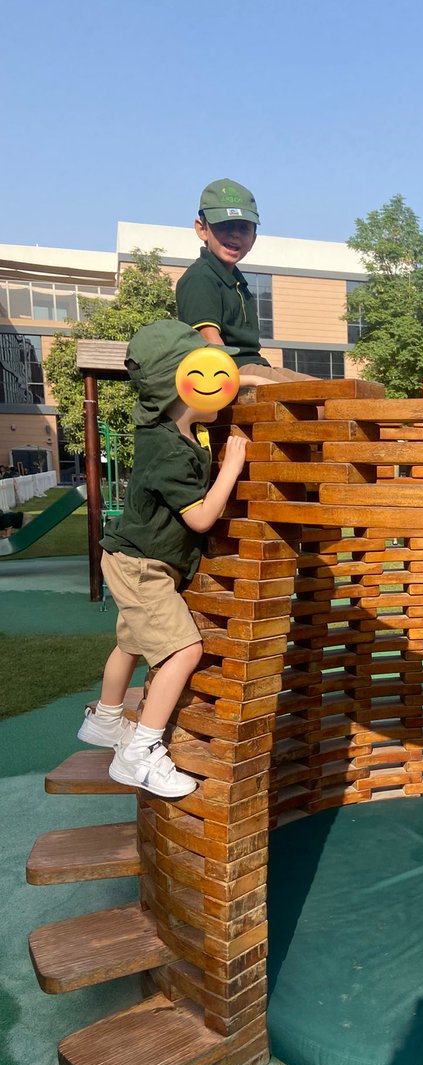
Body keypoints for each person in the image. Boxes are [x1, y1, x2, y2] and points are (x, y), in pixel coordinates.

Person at [77, 320, 247, 798]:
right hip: (143, 566)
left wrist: (255, 376)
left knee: (130, 643)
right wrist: (231, 469)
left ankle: (106, 723)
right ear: (184, 381)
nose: (224, 388)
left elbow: (225, 381)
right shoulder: (170, 451)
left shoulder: (165, 429)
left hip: (132, 557)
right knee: (182, 650)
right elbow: (200, 520)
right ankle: (140, 753)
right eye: (212, 376)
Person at [175, 178, 313, 388]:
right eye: (225, 225)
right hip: (230, 372)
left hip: (256, 365)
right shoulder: (201, 277)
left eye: (243, 228)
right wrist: (249, 380)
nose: (235, 234)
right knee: (321, 403)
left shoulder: (238, 282)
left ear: (254, 238)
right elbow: (212, 347)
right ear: (202, 229)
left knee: (342, 391)